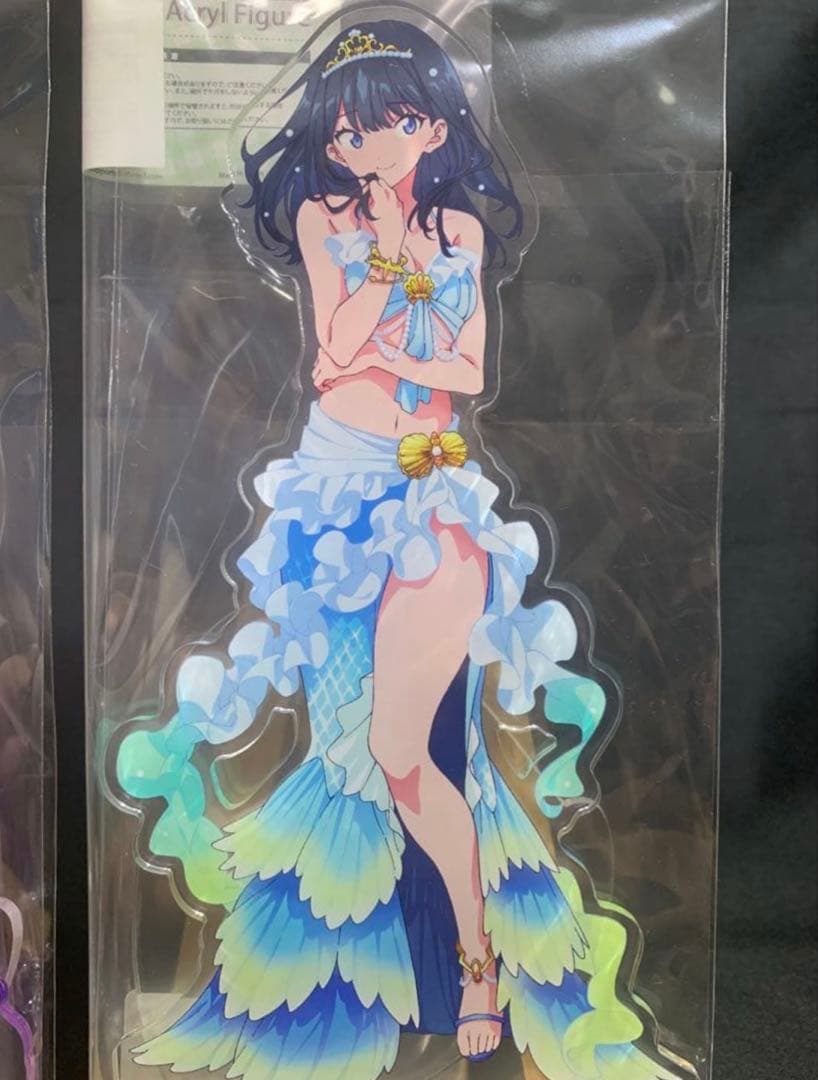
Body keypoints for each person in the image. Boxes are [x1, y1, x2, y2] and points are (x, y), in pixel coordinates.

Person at [130, 20, 685, 1080]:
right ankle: (352, 975)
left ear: (431, 125)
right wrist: (387, 261)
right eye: (344, 131)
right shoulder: (320, 214)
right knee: (352, 753)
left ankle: (475, 968)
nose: (360, 146)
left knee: (413, 745)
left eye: (384, 123)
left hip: (432, 498)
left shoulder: (459, 229)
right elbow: (331, 352)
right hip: (328, 501)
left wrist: (390, 303)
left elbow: (467, 369)